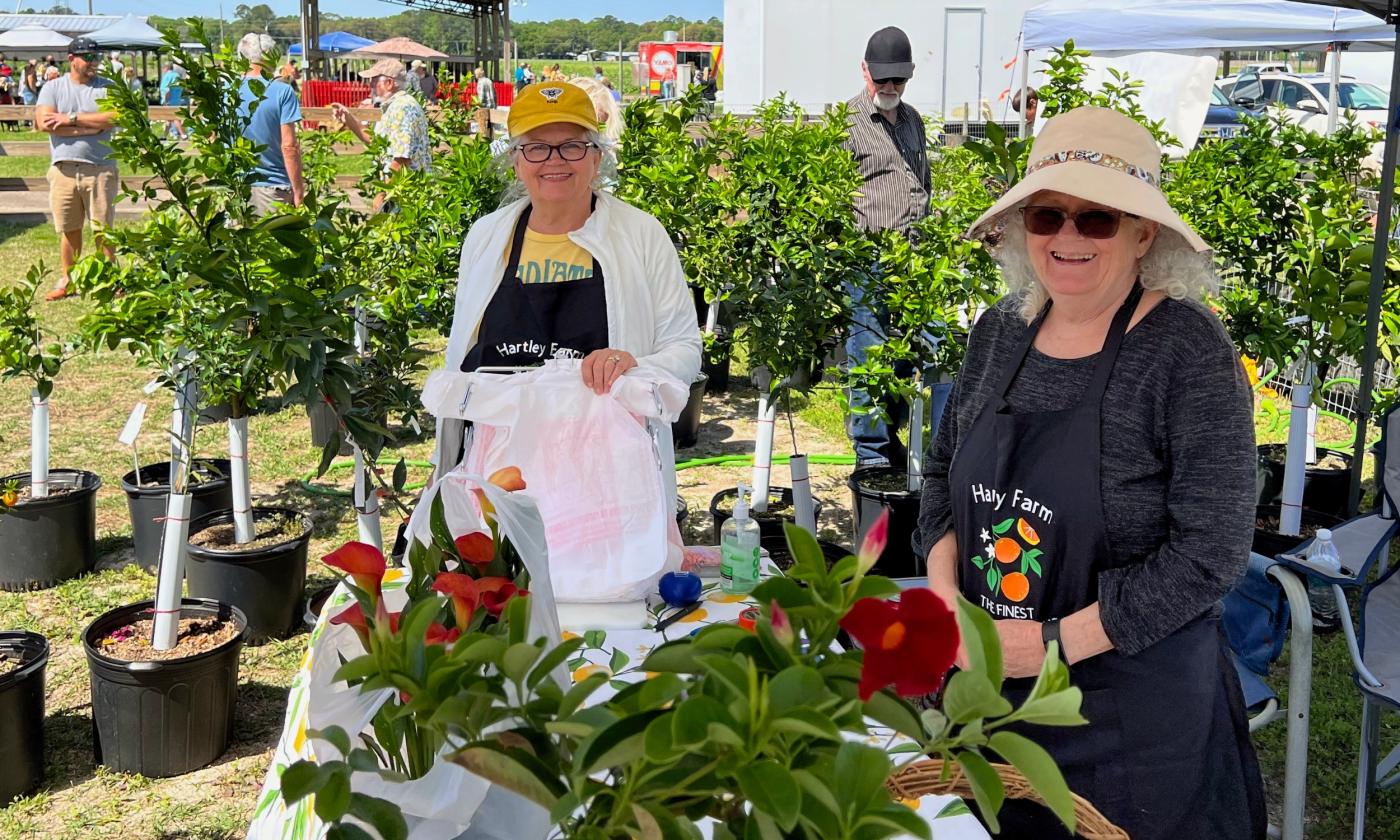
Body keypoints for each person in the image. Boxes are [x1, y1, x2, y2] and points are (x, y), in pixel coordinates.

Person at [918, 107, 1265, 839]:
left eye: (1097, 219)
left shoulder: (1186, 353)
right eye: (1047, 215)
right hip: (990, 699)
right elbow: (941, 476)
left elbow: (1212, 551)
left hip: (1129, 718)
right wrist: (949, 601)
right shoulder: (997, 331)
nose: (1067, 238)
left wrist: (1047, 645)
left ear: (1146, 234)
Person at [440, 80, 701, 501]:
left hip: (607, 473)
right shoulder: (486, 237)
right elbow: (462, 354)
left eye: (573, 146)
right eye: (537, 147)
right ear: (516, 161)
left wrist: (630, 362)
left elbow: (685, 348)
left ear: (597, 158)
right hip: (501, 468)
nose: (555, 160)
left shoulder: (641, 235)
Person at [841, 26, 934, 469]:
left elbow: (922, 180)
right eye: (882, 80)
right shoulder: (847, 123)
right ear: (865, 71)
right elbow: (834, 194)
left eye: (898, 80)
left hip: (914, 258)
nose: (890, 89)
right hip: (867, 259)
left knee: (922, 350)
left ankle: (907, 442)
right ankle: (872, 456)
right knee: (867, 353)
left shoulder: (913, 119)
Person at [35, 37, 118, 301]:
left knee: (103, 230)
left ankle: (110, 281)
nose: (94, 63)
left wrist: (70, 119)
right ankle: (70, 281)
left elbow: (114, 117)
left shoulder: (108, 87)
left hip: (101, 168)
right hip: (63, 169)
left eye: (97, 57)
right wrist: (91, 127)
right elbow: (44, 122)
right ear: (72, 59)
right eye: (88, 57)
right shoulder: (53, 87)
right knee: (69, 230)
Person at [332, 59, 431, 211]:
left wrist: (383, 193)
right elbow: (377, 143)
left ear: (389, 83)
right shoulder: (395, 106)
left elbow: (401, 158)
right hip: (399, 192)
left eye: (374, 80)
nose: (370, 85)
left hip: (405, 196)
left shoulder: (402, 108)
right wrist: (349, 119)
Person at [235, 33, 304, 214]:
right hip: (273, 187)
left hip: (234, 187)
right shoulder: (282, 91)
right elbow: (289, 146)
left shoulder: (227, 91)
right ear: (271, 56)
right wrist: (298, 191)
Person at [159, 62, 186, 139]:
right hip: (177, 100)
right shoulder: (177, 76)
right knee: (168, 119)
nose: (162, 70)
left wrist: (165, 101)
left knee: (175, 118)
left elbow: (166, 90)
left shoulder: (167, 76)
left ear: (166, 68)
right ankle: (164, 136)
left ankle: (183, 135)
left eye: (163, 68)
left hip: (169, 101)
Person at [472, 65, 497, 141]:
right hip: (492, 106)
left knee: (482, 125)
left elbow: (481, 97)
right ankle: (490, 139)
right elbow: (494, 94)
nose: (475, 76)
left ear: (478, 74)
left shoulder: (481, 82)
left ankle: (484, 138)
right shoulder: (489, 80)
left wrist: (476, 104)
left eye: (476, 74)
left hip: (484, 107)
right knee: (490, 125)